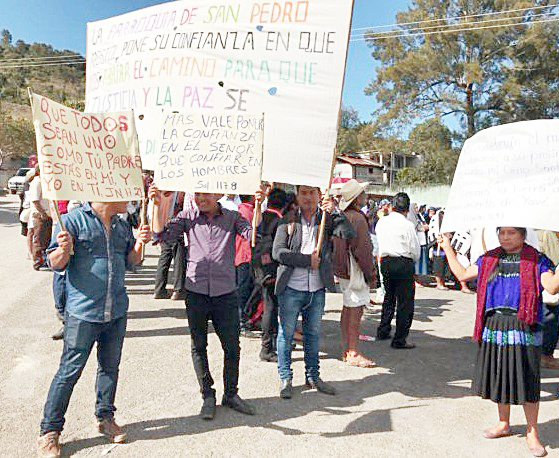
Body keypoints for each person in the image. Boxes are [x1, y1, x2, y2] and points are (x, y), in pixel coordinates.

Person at [37, 202, 151, 458]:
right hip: (83, 313)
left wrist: (140, 243)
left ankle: (105, 417)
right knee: (69, 371)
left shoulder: (122, 225)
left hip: (117, 309)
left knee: (110, 367)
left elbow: (132, 262)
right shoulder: (73, 221)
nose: (128, 200)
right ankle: (49, 432)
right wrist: (63, 250)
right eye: (122, 193)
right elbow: (55, 263)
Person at [439, 227, 559, 457]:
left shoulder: (536, 259)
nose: (505, 237)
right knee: (500, 374)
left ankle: (532, 433)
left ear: (523, 235)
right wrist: (447, 247)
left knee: (528, 379)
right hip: (495, 325)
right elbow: (463, 274)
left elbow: (552, 286)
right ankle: (503, 423)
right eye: (502, 232)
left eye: (511, 233)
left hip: (524, 325)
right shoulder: (489, 258)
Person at [149, 185, 265, 421]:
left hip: (226, 293)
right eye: (198, 193)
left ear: (219, 194)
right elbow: (161, 235)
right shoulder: (187, 218)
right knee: (198, 346)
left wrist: (259, 204)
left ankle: (231, 394)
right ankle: (207, 395)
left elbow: (251, 234)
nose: (201, 198)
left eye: (207, 193)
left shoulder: (233, 218)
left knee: (232, 347)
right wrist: (157, 204)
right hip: (196, 293)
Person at [272, 185, 354, 399]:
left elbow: (348, 234)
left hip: (317, 289)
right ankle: (285, 377)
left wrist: (336, 211)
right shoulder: (287, 220)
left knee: (312, 335)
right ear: (297, 196)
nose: (308, 198)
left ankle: (313, 376)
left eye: (312, 193)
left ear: (319, 195)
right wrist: (307, 261)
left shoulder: (327, 219)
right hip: (291, 288)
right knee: (286, 334)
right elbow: (278, 252)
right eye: (304, 193)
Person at [333, 180, 376, 368]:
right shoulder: (357, 219)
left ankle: (347, 350)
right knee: (355, 310)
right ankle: (352, 351)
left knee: (348, 308)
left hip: (344, 269)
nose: (365, 196)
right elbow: (363, 250)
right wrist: (371, 274)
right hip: (354, 270)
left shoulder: (343, 216)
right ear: (357, 198)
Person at [375, 192, 420, 349]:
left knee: (389, 297)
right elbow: (415, 250)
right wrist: (412, 260)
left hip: (386, 260)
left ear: (392, 206)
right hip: (402, 261)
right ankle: (400, 338)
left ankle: (383, 329)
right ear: (407, 209)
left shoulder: (382, 222)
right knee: (405, 302)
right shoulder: (407, 225)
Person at [253, 188, 287, 362]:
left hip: (259, 266)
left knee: (268, 305)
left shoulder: (259, 216)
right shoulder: (279, 221)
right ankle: (267, 347)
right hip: (271, 269)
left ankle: (272, 343)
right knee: (270, 308)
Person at [153, 192, 187, 300]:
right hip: (176, 226)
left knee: (164, 258)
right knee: (179, 260)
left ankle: (159, 290)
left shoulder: (161, 193)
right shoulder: (178, 193)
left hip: (163, 227)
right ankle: (178, 290)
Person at [535, 229, 559, 369]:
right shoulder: (547, 233)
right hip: (550, 281)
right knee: (551, 320)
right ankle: (545, 356)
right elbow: (554, 259)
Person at [236, 195, 256, 331]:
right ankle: (241, 320)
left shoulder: (238, 210)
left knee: (239, 288)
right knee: (243, 290)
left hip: (237, 255)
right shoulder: (249, 212)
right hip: (245, 255)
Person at [28, 164, 52, 270]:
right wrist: (43, 213)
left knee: (45, 239)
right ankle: (37, 262)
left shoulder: (43, 182)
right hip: (40, 215)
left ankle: (44, 260)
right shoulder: (37, 182)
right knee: (39, 239)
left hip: (46, 214)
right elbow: (35, 200)